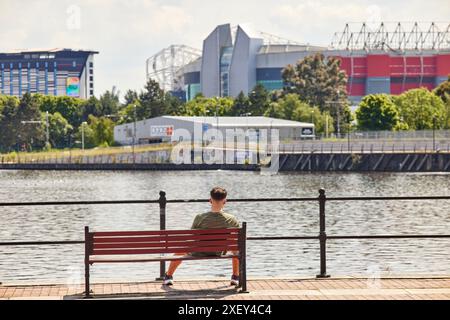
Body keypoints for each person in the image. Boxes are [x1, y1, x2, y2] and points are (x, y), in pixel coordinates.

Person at [163, 187, 241, 286]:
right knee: (236, 247)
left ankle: (168, 276)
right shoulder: (231, 219)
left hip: (199, 251)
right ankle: (235, 276)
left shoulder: (200, 217)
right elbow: (240, 238)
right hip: (218, 251)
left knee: (180, 249)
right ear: (225, 201)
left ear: (210, 200)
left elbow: (192, 236)